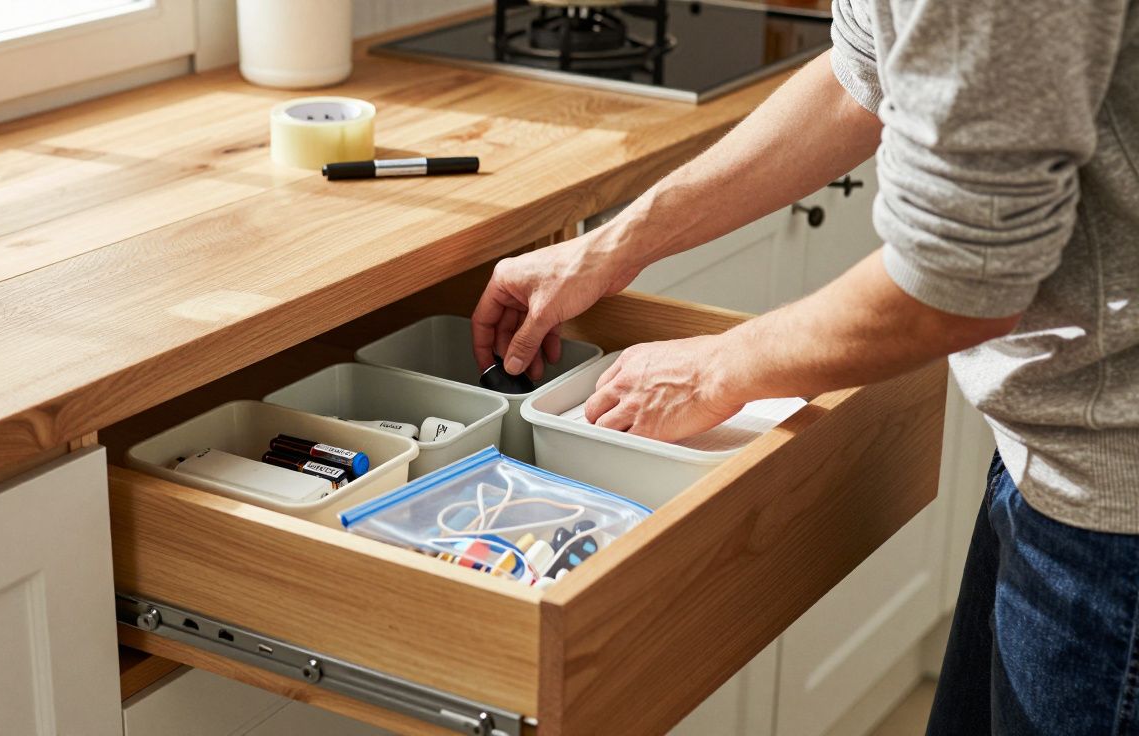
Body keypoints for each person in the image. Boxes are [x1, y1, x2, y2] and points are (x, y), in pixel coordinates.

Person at [470, 1, 1139, 733]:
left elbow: (957, 283)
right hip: (1055, 448)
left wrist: (712, 371)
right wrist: (608, 248)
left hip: (1113, 496)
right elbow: (861, 71)